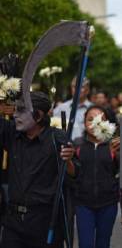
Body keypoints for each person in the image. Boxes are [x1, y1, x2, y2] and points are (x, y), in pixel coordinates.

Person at [1, 91, 77, 248]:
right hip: (13, 223)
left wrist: (68, 161)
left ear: (38, 116)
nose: (15, 115)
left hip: (44, 222)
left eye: (21, 110)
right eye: (16, 110)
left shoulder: (57, 138)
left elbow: (75, 174)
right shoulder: (12, 133)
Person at [73, 105, 120, 248]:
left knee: (103, 243)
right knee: (85, 244)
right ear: (84, 122)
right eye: (90, 119)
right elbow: (73, 172)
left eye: (100, 120)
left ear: (107, 123)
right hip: (83, 204)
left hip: (108, 204)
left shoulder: (113, 145)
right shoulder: (77, 145)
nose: (95, 123)